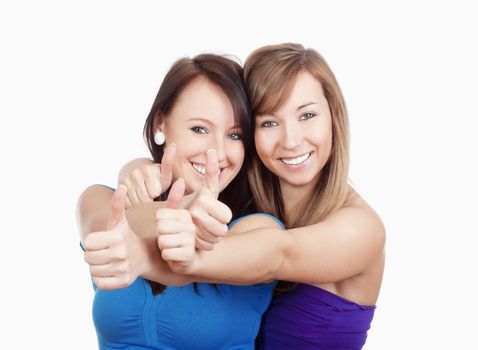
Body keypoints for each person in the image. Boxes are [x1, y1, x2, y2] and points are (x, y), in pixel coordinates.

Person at [117, 43, 386, 349]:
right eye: (269, 122)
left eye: (307, 115)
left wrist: (159, 258)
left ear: (334, 117)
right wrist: (136, 171)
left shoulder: (361, 227)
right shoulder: (248, 204)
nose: (292, 140)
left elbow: (278, 255)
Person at [77, 53, 284, 350]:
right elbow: (111, 232)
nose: (217, 152)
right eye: (199, 129)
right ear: (161, 123)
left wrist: (186, 213)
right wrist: (184, 205)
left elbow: (190, 265)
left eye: (235, 135)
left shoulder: (259, 230)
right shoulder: (98, 200)